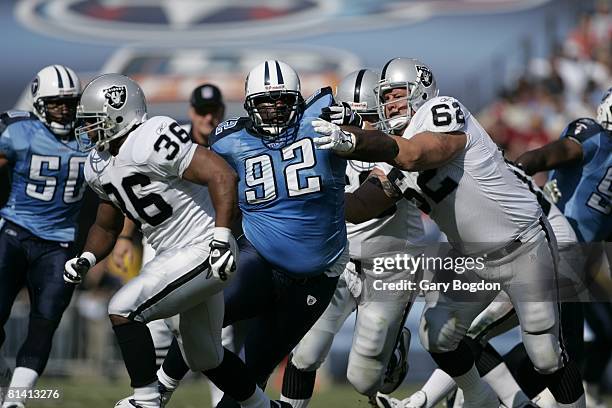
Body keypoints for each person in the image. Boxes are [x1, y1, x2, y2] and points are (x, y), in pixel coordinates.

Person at [313, 57, 586, 408]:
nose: (389, 104)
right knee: (437, 332)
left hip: (524, 242)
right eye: (383, 98)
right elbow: (362, 205)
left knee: (545, 354)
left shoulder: (442, 110)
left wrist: (353, 139)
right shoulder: (394, 149)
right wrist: (317, 193)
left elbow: (418, 154)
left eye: (396, 94)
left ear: (420, 89)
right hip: (473, 258)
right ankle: (480, 397)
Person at [63, 73, 288, 408]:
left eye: (94, 121)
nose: (88, 130)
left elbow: (221, 174)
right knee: (205, 357)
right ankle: (265, 407)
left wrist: (222, 236)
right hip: (173, 254)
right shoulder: (97, 165)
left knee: (123, 307)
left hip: (204, 249)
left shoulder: (150, 137)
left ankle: (146, 399)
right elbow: (106, 226)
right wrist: (87, 258)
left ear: (119, 114)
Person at [156, 59, 350, 407]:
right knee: (198, 319)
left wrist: (355, 128)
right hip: (258, 259)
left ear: (298, 101)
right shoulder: (229, 140)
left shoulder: (323, 118)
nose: (275, 109)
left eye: (283, 100)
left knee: (250, 375)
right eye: (265, 101)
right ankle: (157, 390)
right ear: (249, 104)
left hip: (315, 276)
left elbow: (372, 131)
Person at [280, 69, 424, 407]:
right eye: (354, 117)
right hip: (339, 262)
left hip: (391, 266)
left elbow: (361, 206)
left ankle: (392, 350)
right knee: (305, 353)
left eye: (370, 117)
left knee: (363, 379)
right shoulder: (321, 145)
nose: (362, 126)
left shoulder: (402, 146)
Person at [512, 87, 612, 408]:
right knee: (556, 343)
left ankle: (492, 391)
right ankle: (484, 389)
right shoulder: (594, 137)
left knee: (566, 344)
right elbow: (554, 153)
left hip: (582, 258)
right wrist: (520, 167)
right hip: (553, 245)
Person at [0, 65, 87, 408]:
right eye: (55, 103)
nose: (64, 109)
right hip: (14, 232)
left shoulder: (90, 135)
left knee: (46, 319)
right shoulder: (18, 132)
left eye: (69, 102)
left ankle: (16, 400)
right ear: (38, 104)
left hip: (59, 243)